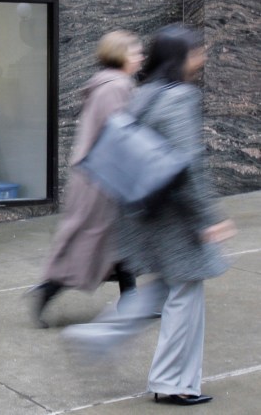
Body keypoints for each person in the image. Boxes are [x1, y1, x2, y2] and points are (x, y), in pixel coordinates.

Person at [61, 24, 236, 406]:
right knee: (186, 293)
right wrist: (207, 218)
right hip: (175, 214)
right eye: (197, 51)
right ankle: (173, 382)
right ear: (181, 57)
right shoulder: (181, 97)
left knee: (165, 287)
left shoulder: (143, 94)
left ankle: (98, 335)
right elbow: (187, 164)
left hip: (143, 209)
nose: (201, 57)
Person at [28, 31, 144, 327]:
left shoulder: (108, 84)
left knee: (118, 243)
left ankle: (130, 302)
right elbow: (121, 137)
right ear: (119, 55)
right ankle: (47, 290)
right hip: (102, 182)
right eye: (134, 51)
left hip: (101, 178)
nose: (140, 56)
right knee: (87, 247)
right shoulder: (116, 87)